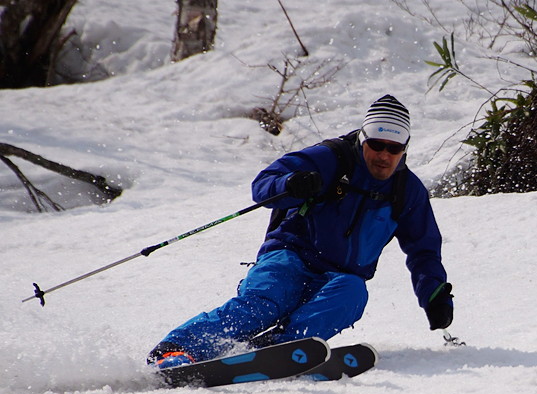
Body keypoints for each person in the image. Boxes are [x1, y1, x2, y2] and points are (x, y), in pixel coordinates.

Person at [148, 94, 454, 368]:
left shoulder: (407, 191)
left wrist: (434, 295)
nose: (383, 155)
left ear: (404, 148)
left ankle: (281, 349)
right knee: (263, 303)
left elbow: (423, 249)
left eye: (394, 148)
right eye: (376, 145)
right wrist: (290, 184)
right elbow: (263, 184)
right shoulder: (331, 158)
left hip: (339, 278)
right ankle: (175, 348)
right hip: (289, 258)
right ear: (363, 140)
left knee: (352, 293)